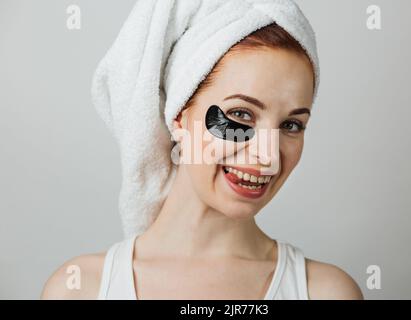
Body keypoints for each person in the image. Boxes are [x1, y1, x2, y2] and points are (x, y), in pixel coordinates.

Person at [41, 1, 363, 300]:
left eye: (291, 125)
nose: (269, 156)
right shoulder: (79, 289)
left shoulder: (326, 293)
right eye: (240, 115)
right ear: (179, 116)